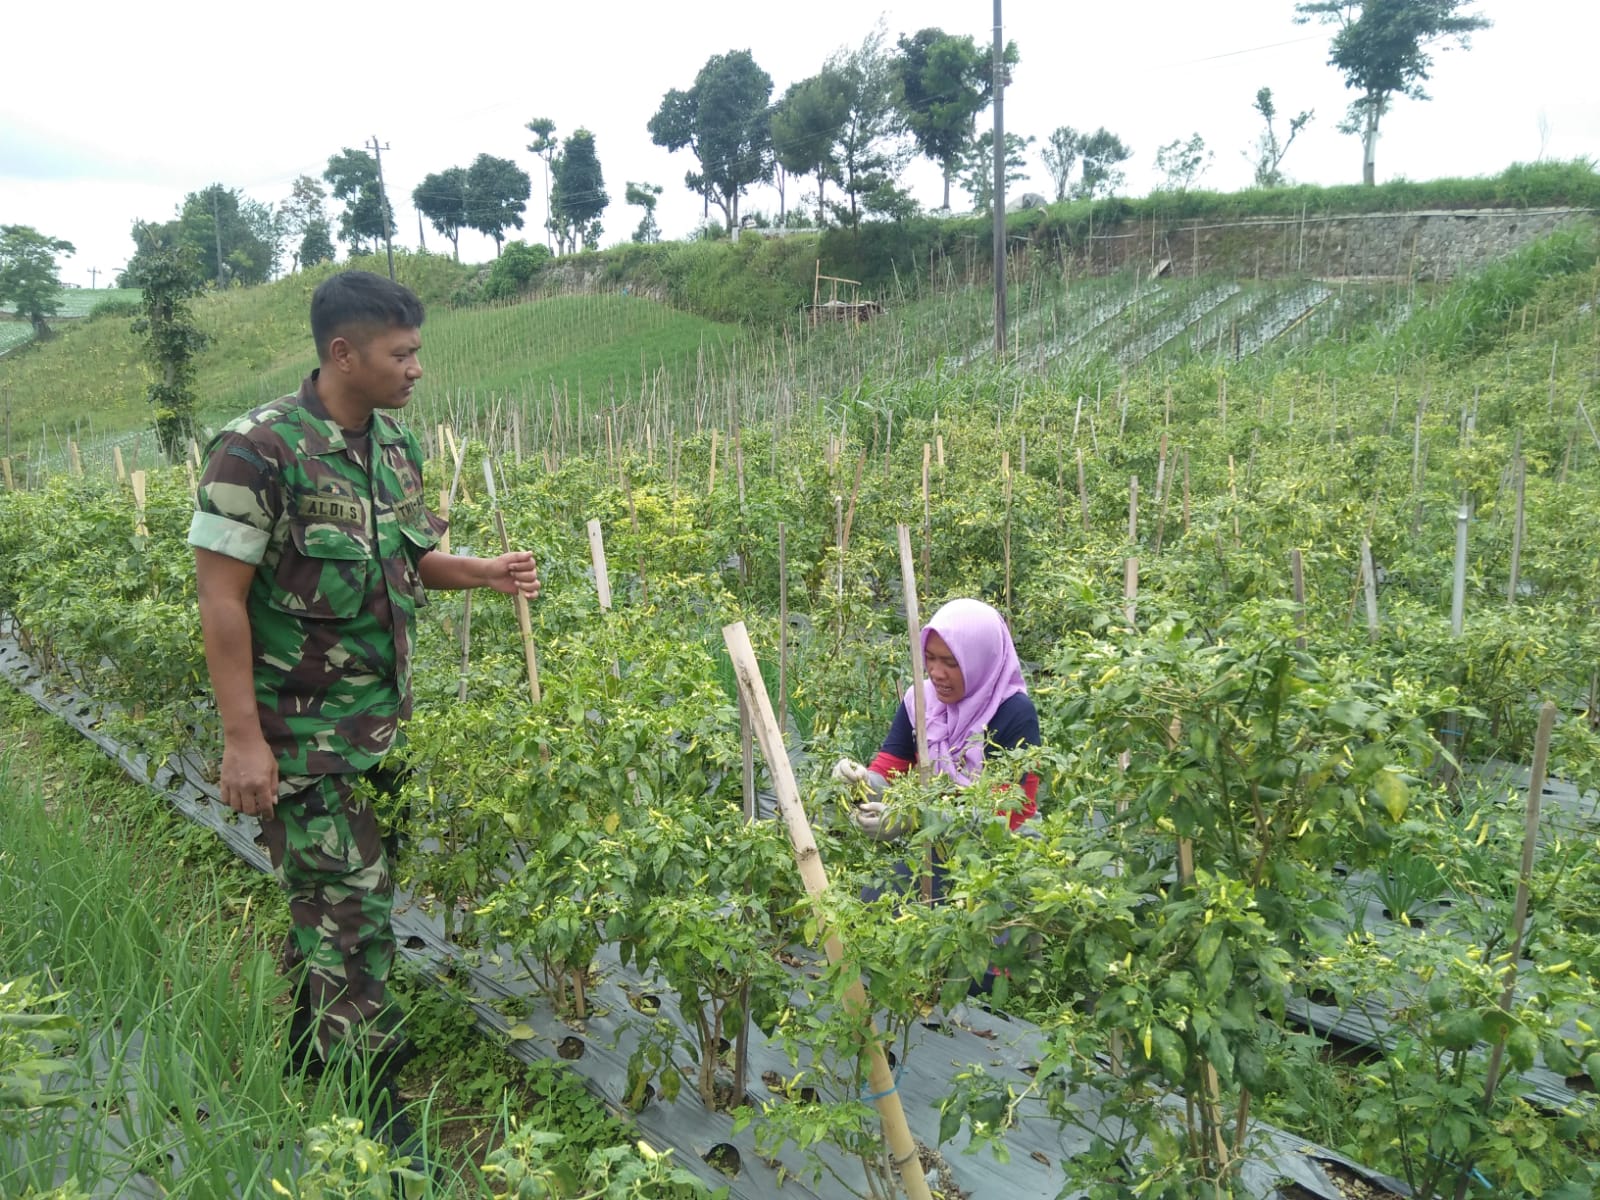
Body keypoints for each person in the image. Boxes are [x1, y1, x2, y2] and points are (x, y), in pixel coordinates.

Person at [188, 270, 540, 1142]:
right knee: (354, 917)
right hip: (298, 738)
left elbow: (407, 562)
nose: (417, 369)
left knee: (344, 902)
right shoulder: (257, 450)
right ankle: (375, 1112)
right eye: (402, 352)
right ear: (343, 353)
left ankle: (308, 1054)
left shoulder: (393, 447)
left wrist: (485, 573)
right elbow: (221, 599)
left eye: (416, 351)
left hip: (378, 730)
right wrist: (243, 742)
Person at [833, 598, 1041, 990]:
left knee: (974, 981)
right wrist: (859, 781)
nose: (936, 673)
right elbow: (890, 771)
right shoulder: (921, 701)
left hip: (990, 868)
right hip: (929, 855)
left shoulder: (1014, 714)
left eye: (951, 662)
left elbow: (1009, 819)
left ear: (980, 659)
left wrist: (917, 817)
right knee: (872, 931)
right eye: (930, 658)